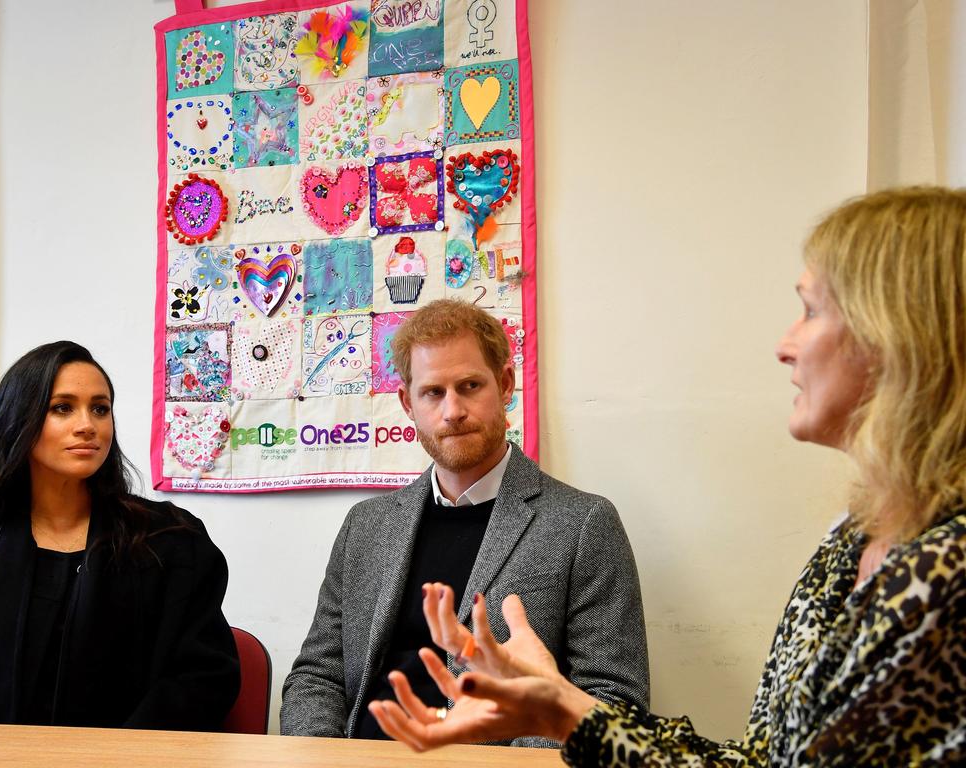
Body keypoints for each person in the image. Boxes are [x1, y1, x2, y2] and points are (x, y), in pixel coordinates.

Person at [368, 187, 966, 766]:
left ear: (898, 336)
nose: (785, 345)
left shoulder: (946, 572)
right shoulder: (850, 544)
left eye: (811, 311)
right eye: (433, 391)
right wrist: (560, 709)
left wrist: (561, 717)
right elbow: (762, 760)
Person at [280, 299, 649, 745]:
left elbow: (615, 701)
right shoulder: (365, 525)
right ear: (407, 403)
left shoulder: (584, 524)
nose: (452, 411)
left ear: (506, 384)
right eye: (433, 392)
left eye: (470, 385)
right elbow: (316, 676)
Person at [0, 341, 239, 729]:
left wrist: (117, 754)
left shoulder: (170, 541)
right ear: (18, 420)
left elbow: (204, 677)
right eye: (62, 408)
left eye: (100, 408)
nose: (87, 425)